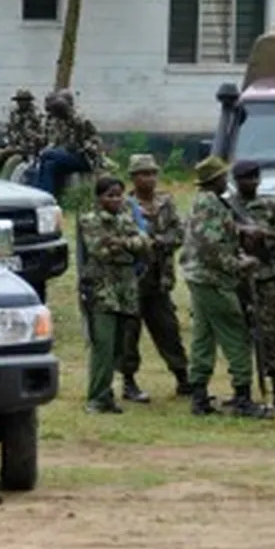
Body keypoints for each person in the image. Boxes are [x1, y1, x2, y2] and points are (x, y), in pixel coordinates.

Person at [181, 157, 272, 419]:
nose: (227, 181)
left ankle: (199, 395)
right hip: (213, 280)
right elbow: (210, 248)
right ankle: (242, 397)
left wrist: (242, 232)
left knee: (204, 337)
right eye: (223, 177)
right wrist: (240, 264)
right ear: (215, 180)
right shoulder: (209, 205)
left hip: (201, 278)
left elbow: (221, 235)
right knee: (236, 335)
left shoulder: (208, 202)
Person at [116, 153, 191, 401]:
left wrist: (159, 241)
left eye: (152, 174)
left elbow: (179, 233)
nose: (149, 179)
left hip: (160, 279)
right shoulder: (124, 206)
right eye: (143, 174)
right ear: (133, 177)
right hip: (133, 279)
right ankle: (129, 381)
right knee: (129, 332)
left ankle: (183, 377)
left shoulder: (166, 202)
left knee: (168, 329)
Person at [228, 160, 275, 408]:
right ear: (236, 181)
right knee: (237, 334)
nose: (250, 183)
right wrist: (239, 232)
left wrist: (263, 233)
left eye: (253, 178)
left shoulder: (273, 204)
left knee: (270, 333)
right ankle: (241, 388)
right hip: (237, 276)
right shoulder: (227, 205)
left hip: (266, 276)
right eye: (244, 179)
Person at [79, 176, 151, 414]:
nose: (115, 200)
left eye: (119, 195)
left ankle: (107, 395)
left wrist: (122, 244)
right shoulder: (90, 220)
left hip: (125, 289)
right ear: (99, 197)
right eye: (110, 195)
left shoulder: (126, 217)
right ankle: (97, 397)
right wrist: (129, 245)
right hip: (102, 289)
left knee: (120, 344)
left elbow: (145, 241)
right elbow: (100, 250)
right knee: (104, 343)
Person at [31, 89, 107, 201]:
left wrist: (60, 149)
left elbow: (83, 145)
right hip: (69, 157)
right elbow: (58, 142)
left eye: (57, 113)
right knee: (49, 165)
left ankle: (37, 194)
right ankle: (46, 198)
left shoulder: (79, 120)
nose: (56, 117)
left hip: (86, 158)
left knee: (46, 154)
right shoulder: (61, 121)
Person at [4, 88, 46, 161]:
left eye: (23, 100)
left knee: (11, 161)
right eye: (19, 100)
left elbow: (41, 135)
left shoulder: (36, 114)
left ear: (28, 101)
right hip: (14, 145)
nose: (20, 102)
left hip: (29, 148)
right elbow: (10, 130)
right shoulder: (14, 113)